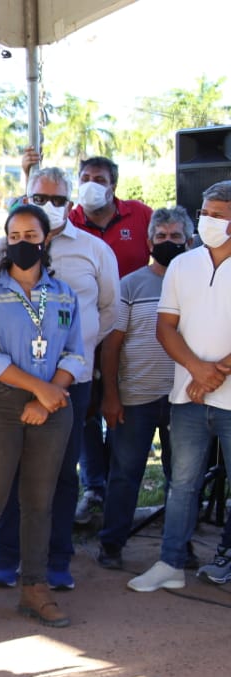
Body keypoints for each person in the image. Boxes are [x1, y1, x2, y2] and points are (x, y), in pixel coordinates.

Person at [0, 167, 119, 590]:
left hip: (70, 382)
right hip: (11, 383)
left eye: (58, 200)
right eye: (40, 198)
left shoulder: (94, 250)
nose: (49, 206)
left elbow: (108, 312)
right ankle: (6, 557)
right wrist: (34, 384)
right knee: (9, 472)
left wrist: (63, 374)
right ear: (26, 199)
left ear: (70, 204)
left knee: (60, 474)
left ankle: (56, 561)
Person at [0, 205, 87, 630]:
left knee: (40, 502)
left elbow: (75, 353)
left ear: (46, 240)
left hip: (53, 407)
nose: (22, 243)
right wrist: (39, 390)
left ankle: (35, 588)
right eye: (14, 236)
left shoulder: (63, 294)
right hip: (1, 406)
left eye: (31, 236)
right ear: (5, 241)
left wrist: (47, 397)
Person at [130, 181, 231, 592]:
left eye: (218, 215)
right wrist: (196, 370)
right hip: (188, 397)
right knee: (182, 485)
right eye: (205, 213)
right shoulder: (182, 266)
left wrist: (214, 374)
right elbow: (165, 327)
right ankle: (170, 563)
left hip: (220, 396)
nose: (208, 221)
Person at [97, 208, 193, 571]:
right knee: (125, 473)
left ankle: (179, 546)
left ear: (189, 241)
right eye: (161, 236)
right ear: (149, 241)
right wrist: (111, 395)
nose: (168, 242)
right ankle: (111, 543)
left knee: (181, 478)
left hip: (185, 398)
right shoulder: (130, 285)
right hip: (136, 398)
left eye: (176, 236)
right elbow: (111, 345)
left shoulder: (197, 285)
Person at [69, 156, 155, 522]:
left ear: (113, 185)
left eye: (99, 178)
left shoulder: (140, 215)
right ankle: (94, 487)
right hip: (84, 332)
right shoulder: (69, 218)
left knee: (122, 404)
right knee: (86, 409)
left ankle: (119, 489)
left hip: (132, 333)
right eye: (85, 177)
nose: (91, 183)